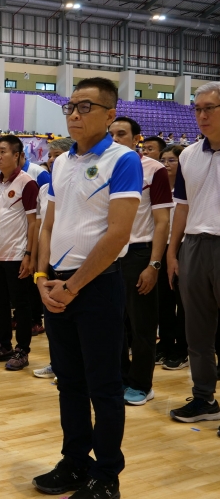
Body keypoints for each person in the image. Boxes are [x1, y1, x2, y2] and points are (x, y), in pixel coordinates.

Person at [33, 78, 142, 499]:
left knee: (104, 386)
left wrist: (72, 286)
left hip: (95, 287)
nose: (74, 115)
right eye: (70, 107)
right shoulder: (60, 164)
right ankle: (75, 461)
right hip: (57, 283)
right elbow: (48, 226)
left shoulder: (124, 159)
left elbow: (117, 234)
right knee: (69, 383)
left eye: (85, 107)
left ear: (110, 114)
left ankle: (107, 474)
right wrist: (43, 277)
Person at [108, 116, 173, 406]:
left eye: (122, 134)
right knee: (114, 323)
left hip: (139, 253)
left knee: (141, 324)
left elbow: (161, 222)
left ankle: (142, 384)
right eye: (111, 134)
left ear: (137, 139)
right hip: (109, 253)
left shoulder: (154, 170)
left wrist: (154, 264)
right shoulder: (102, 169)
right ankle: (120, 378)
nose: (115, 139)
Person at [167, 81, 220, 426]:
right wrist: (173, 252)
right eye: (196, 109)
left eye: (208, 109)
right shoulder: (187, 155)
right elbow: (181, 208)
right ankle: (204, 398)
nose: (201, 115)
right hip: (194, 246)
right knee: (196, 330)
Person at [0, 135, 39, 372]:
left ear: (17, 156)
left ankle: (22, 350)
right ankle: (3, 345)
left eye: (3, 151)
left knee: (21, 305)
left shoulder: (27, 183)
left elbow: (34, 223)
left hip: (17, 255)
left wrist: (29, 254)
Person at [31, 137, 75, 380]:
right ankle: (56, 362)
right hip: (49, 256)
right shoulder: (45, 189)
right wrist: (38, 262)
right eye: (49, 156)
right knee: (53, 316)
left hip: (71, 260)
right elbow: (41, 227)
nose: (50, 160)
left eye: (56, 155)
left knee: (71, 316)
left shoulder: (78, 185)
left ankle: (70, 366)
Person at [155, 145, 189, 370]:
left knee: (183, 303)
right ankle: (165, 343)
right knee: (163, 302)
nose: (166, 164)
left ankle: (182, 347)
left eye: (172, 160)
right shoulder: (157, 189)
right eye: (163, 159)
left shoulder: (187, 191)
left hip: (184, 247)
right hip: (159, 247)